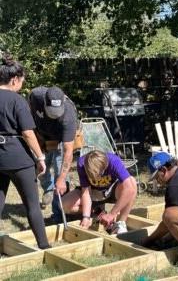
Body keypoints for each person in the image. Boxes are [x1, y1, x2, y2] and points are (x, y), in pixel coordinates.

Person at [0, 54, 50, 249]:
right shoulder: (17, 100)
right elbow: (28, 133)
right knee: (32, 205)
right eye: (21, 81)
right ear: (14, 80)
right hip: (19, 159)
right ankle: (44, 247)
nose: (21, 85)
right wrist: (40, 157)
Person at [28, 86, 77, 222]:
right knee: (40, 169)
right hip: (42, 138)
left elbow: (68, 151)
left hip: (61, 140)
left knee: (60, 177)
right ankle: (48, 189)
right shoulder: (36, 95)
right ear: (44, 102)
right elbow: (29, 109)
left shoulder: (68, 115)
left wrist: (61, 179)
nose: (55, 115)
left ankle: (59, 215)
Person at [62, 150, 137, 234]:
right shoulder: (81, 163)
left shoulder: (113, 161)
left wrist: (112, 214)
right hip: (93, 192)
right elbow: (86, 192)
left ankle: (120, 223)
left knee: (132, 183)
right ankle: (97, 212)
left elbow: (130, 188)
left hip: (112, 190)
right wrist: (86, 217)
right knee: (64, 204)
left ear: (104, 167)